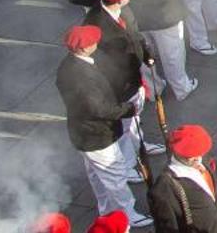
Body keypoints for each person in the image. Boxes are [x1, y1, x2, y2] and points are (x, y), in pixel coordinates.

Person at [56, 24, 150, 227]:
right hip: (97, 135)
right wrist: (127, 109)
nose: (96, 44)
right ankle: (127, 213)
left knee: (96, 174)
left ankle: (106, 209)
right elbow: (99, 109)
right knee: (114, 174)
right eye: (92, 43)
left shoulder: (68, 66)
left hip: (83, 133)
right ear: (82, 48)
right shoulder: (82, 77)